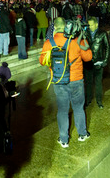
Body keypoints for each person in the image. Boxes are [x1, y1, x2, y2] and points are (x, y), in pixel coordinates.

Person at [39, 17, 92, 148]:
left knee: (62, 110)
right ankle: (82, 134)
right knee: (79, 108)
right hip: (77, 80)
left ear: (55, 27)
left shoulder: (49, 42)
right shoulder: (76, 39)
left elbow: (42, 61)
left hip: (59, 81)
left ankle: (64, 140)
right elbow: (88, 57)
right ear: (66, 26)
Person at [84, 17, 110, 109]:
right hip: (87, 62)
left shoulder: (102, 33)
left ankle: (99, 101)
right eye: (89, 25)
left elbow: (107, 47)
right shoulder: (85, 33)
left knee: (98, 83)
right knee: (88, 83)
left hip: (98, 62)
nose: (89, 26)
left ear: (96, 24)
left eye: (91, 25)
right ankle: (88, 100)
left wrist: (105, 61)